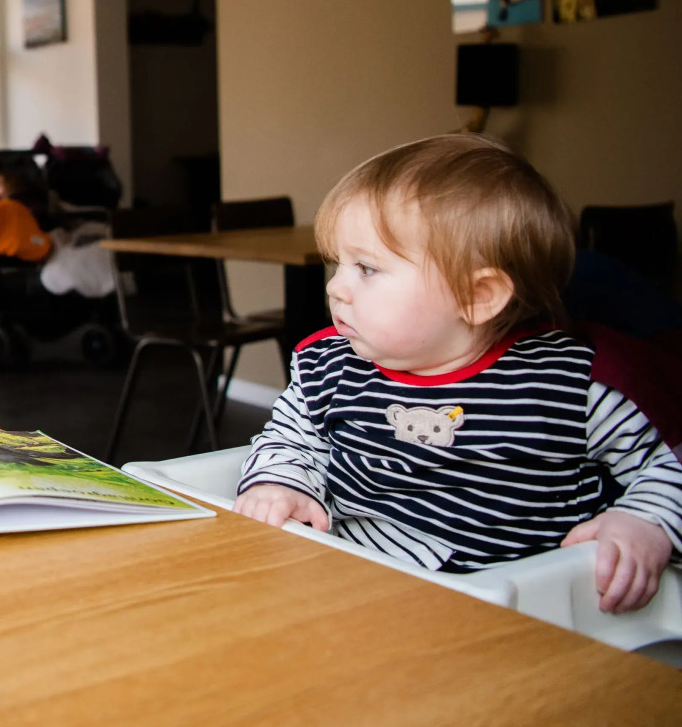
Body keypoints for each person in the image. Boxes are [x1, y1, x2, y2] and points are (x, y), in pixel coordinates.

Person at [233, 134, 682, 614]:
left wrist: (645, 521)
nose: (336, 288)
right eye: (338, 264)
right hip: (352, 588)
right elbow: (288, 442)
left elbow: (669, 465)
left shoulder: (568, 387)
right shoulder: (328, 366)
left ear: (478, 296)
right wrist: (279, 485)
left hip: (516, 612)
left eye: (366, 268)